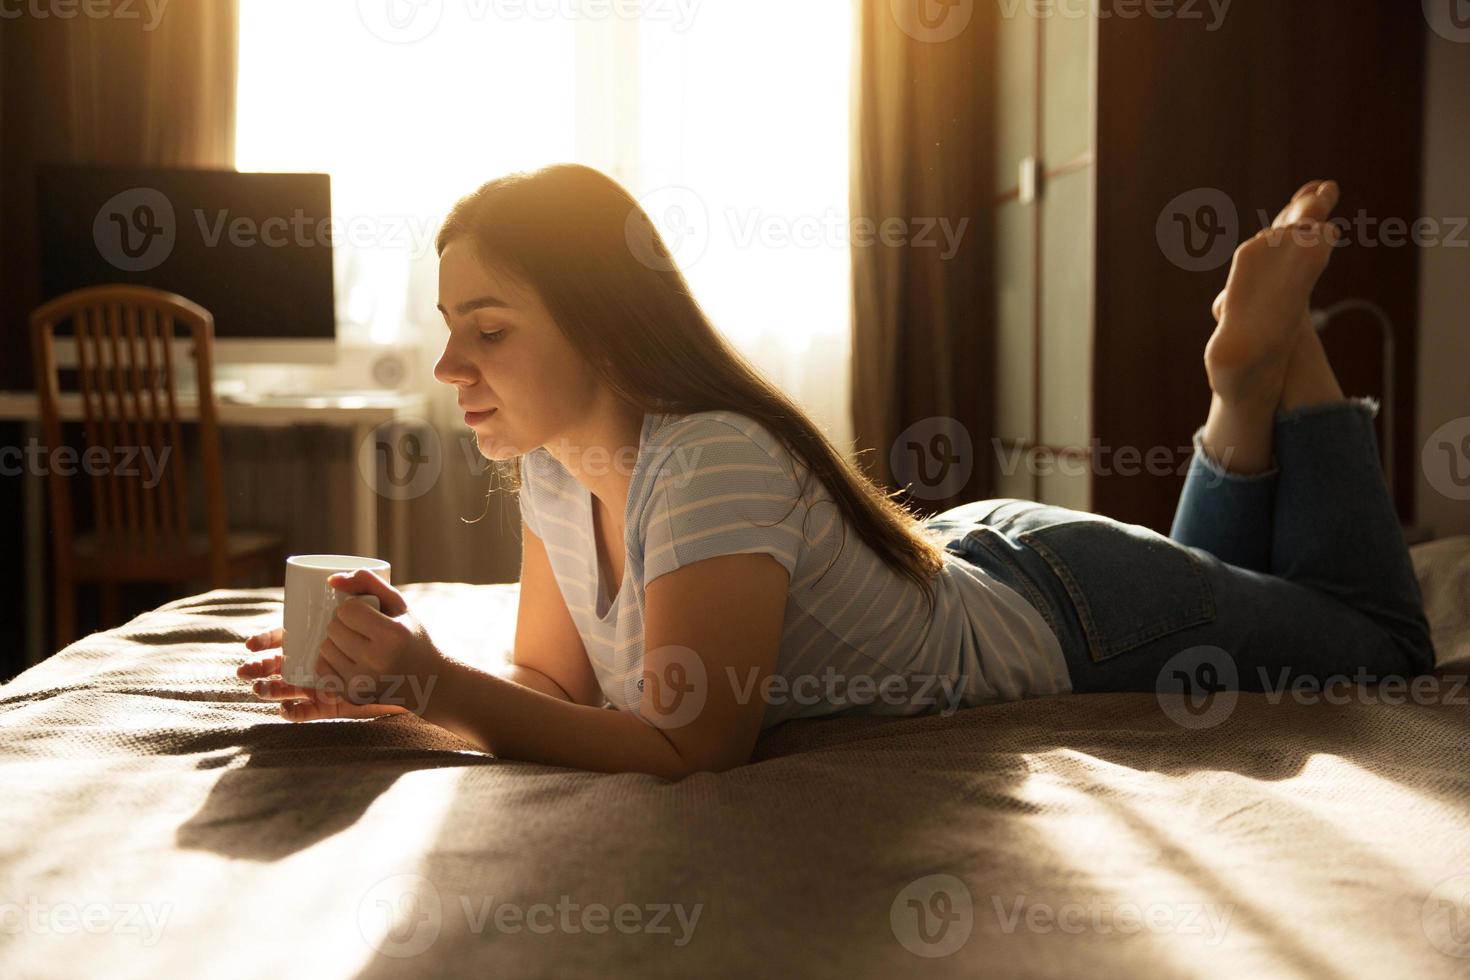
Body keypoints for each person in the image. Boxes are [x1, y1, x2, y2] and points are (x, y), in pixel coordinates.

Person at [238, 165, 1435, 778]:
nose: (450, 362)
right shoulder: (556, 467)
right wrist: (390, 685)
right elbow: (557, 691)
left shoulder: (707, 457)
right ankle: (1239, 391)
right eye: (451, 324)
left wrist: (431, 679)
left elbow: (686, 748)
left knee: (1380, 640)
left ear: (600, 327)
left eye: (488, 327)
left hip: (1071, 610)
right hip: (973, 558)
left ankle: (1289, 356)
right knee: (1233, 584)